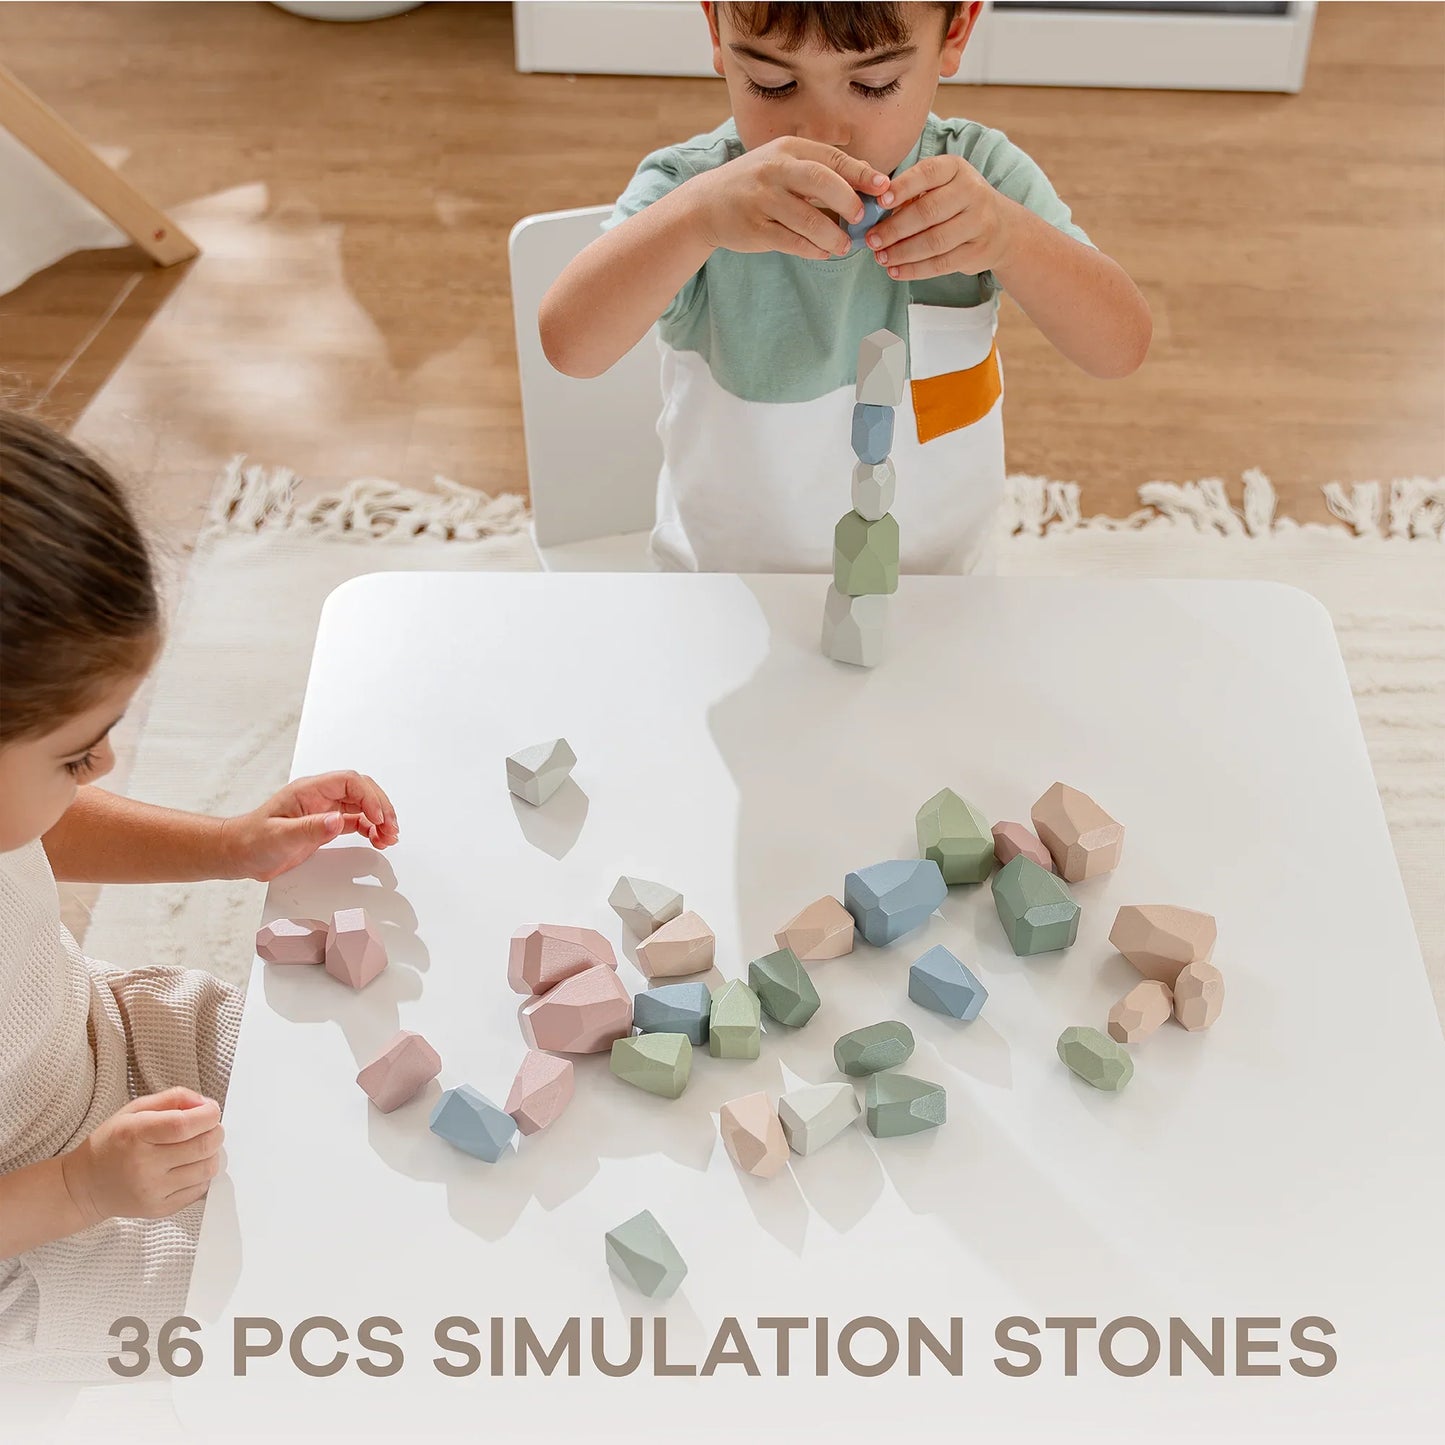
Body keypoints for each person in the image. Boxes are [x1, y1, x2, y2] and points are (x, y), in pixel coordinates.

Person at [0, 409, 400, 1375]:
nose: (103, 763)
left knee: (329, 1084)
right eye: (73, 752)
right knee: (252, 1338)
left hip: (112, 1039)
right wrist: (83, 1188)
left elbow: (42, 819)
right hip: (41, 1230)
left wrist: (234, 845)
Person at [541, 0, 1150, 576]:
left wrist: (1012, 239)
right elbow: (570, 345)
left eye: (874, 85)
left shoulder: (979, 183)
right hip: (727, 586)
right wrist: (696, 220)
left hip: (937, 588)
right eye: (773, 84)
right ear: (716, 30)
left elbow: (1119, 347)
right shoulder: (696, 192)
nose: (824, 133)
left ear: (955, 31)